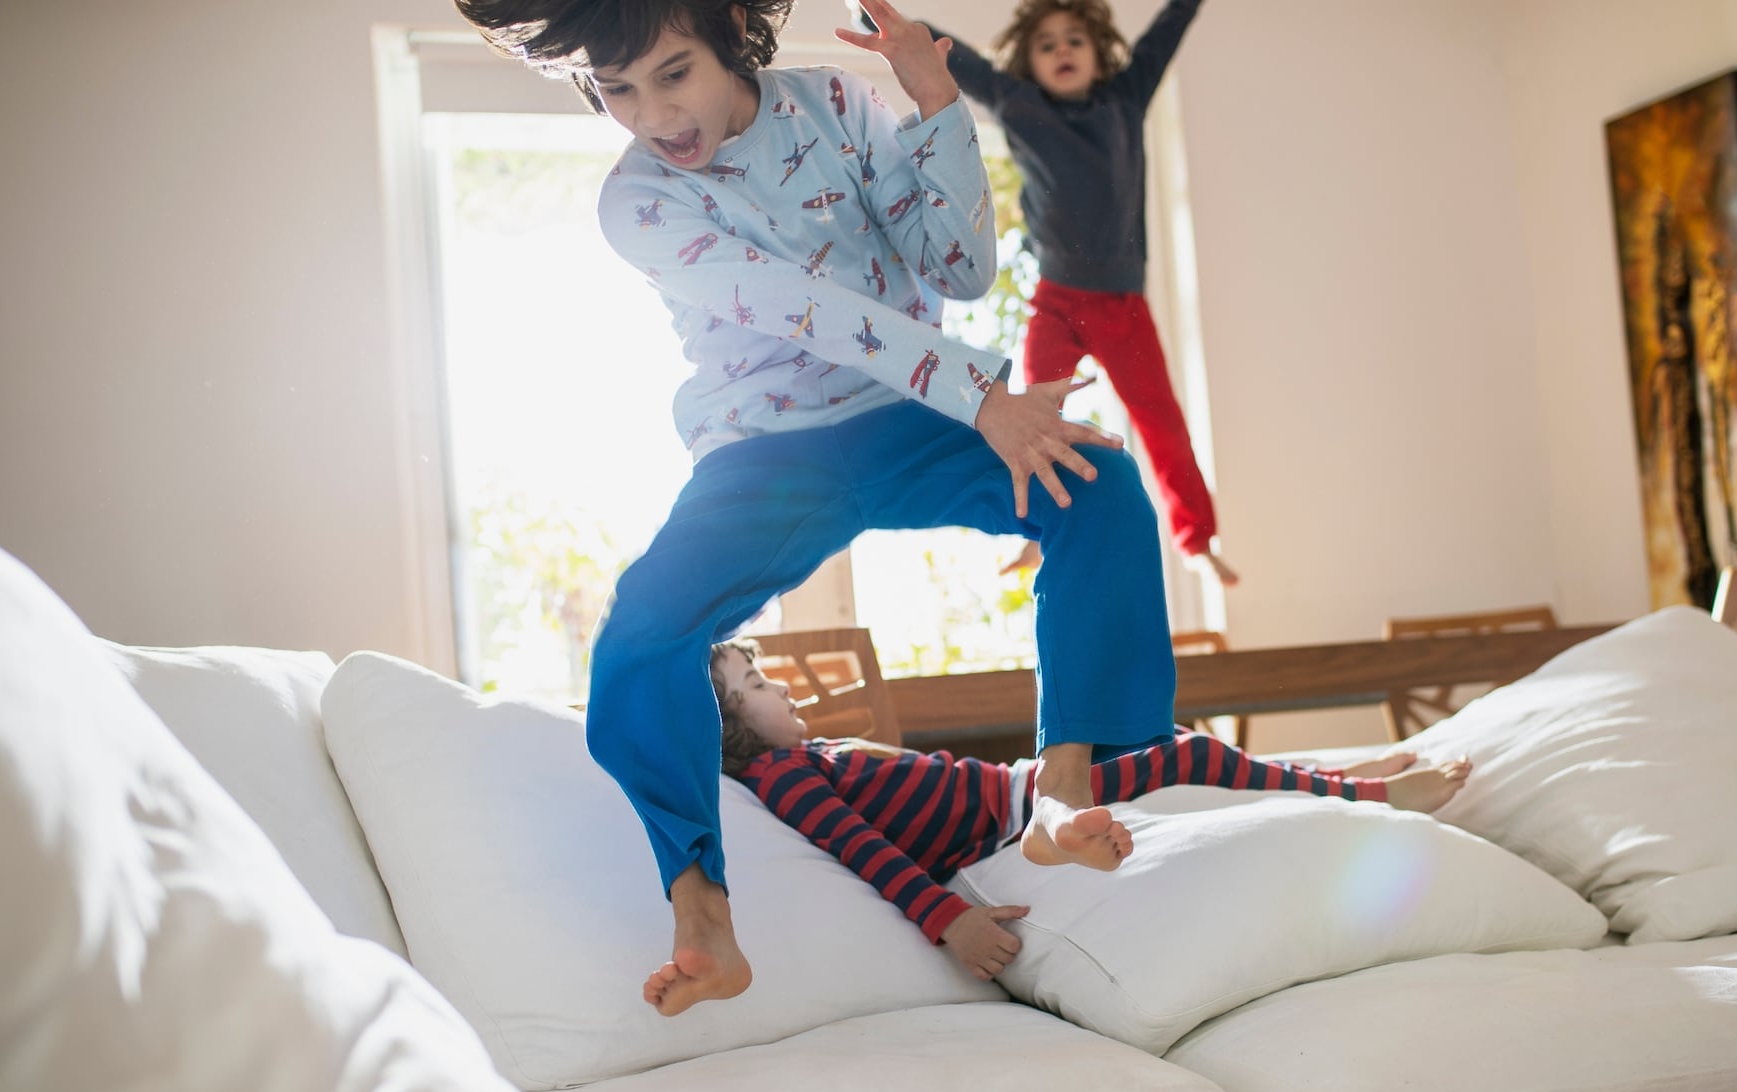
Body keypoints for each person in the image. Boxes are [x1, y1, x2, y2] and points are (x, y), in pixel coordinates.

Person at [454, 0, 1179, 1018]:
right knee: (639, 637)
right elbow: (808, 311)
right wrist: (984, 398)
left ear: (728, 36)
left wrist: (937, 105)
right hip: (766, 451)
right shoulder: (638, 203)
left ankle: (1062, 786)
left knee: (1095, 487)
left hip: (909, 414)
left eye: (672, 73)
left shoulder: (837, 102)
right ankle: (702, 908)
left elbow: (960, 268)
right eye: (617, 90)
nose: (651, 114)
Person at [712, 640, 1473, 981]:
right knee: (1187, 754)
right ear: (730, 727)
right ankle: (1369, 794)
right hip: (1018, 810)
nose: (783, 688)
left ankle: (1332, 773)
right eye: (758, 686)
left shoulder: (811, 754)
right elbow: (862, 848)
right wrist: (949, 920)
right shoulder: (781, 776)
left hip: (1019, 785)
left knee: (1165, 735)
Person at [900, 0, 1237, 587]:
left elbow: (1163, 36)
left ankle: (1197, 540)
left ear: (1100, 55)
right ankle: (1036, 533)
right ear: (1029, 61)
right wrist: (879, 19)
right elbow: (956, 58)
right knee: (1036, 417)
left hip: (1122, 306)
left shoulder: (1125, 98)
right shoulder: (1019, 103)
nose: (1062, 50)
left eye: (1075, 41)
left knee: (1162, 421)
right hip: (1056, 302)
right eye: (1047, 43)